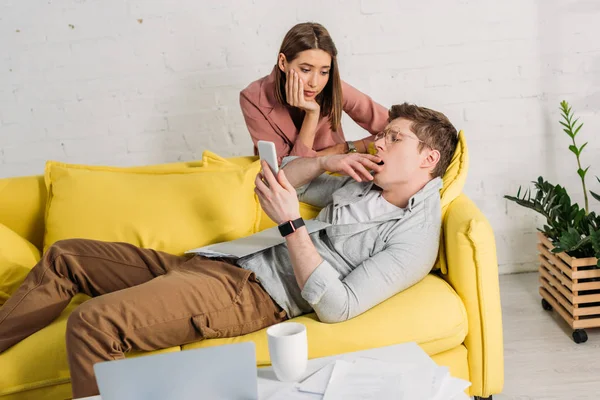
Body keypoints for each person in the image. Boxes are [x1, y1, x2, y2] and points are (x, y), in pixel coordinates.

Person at [0, 103, 458, 398]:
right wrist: (325, 161)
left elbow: (339, 307)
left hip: (251, 292)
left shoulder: (413, 237)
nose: (379, 141)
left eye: (395, 138)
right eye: (384, 134)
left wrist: (291, 223)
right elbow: (286, 177)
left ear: (427, 159)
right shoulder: (365, 185)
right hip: (217, 261)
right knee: (66, 256)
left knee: (92, 323)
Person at [240, 22, 389, 163]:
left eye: (324, 71)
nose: (314, 83)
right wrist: (312, 114)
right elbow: (288, 173)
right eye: (305, 70)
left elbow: (401, 127)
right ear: (283, 62)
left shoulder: (332, 87)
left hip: (337, 174)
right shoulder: (253, 98)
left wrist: (345, 148)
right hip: (287, 185)